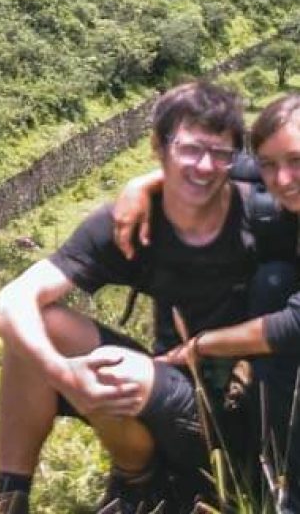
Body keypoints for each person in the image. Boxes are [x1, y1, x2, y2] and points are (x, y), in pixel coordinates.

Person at [0, 80, 295, 514]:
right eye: (188, 149)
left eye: (219, 154)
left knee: (126, 373)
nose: (204, 167)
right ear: (158, 147)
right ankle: (8, 498)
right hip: (167, 378)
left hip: (235, 417)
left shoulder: (268, 217)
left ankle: (140, 482)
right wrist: (62, 372)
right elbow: (9, 300)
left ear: (233, 160)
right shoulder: (129, 223)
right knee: (39, 326)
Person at [114, 93, 300, 513]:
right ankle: (269, 464)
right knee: (274, 281)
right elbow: (223, 166)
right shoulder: (273, 178)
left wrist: (200, 345)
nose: (284, 178)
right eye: (272, 165)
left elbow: (292, 327)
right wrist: (142, 183)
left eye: (297, 161)